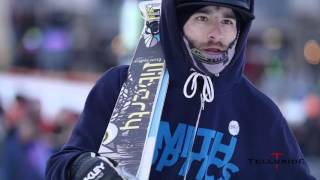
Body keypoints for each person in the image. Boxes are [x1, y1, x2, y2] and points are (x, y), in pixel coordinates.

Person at [46, 0, 316, 179]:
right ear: (176, 24)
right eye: (202, 18)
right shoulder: (122, 86)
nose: (216, 34)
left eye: (227, 21)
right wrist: (83, 167)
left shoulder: (260, 114)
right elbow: (60, 164)